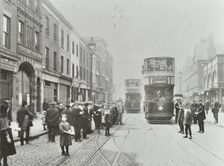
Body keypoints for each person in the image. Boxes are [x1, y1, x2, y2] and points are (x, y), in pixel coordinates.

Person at [0, 101, 16, 166]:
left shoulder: (1, 115)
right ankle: (5, 163)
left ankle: (5, 163)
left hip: (1, 134)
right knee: (5, 149)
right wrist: (8, 136)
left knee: (2, 149)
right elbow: (4, 128)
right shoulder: (4, 117)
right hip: (4, 135)